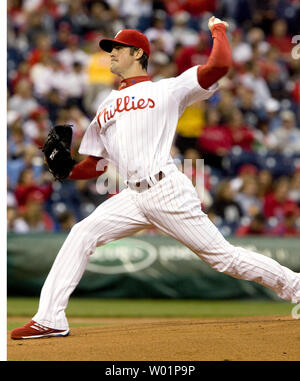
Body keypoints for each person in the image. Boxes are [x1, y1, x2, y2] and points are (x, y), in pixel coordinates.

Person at [11, 16, 300, 340]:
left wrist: (218, 30)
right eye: (110, 48)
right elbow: (97, 164)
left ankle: (296, 286)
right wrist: (66, 170)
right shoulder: (106, 104)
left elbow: (218, 66)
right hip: (132, 196)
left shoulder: (166, 89)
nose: (111, 53)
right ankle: (50, 318)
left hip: (166, 190)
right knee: (82, 233)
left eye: (118, 48)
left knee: (225, 259)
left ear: (138, 54)